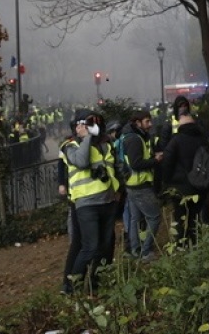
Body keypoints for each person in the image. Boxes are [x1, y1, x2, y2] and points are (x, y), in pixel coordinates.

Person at [62, 112, 120, 292]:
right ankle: (73, 287)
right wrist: (85, 138)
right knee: (90, 246)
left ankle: (96, 285)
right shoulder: (69, 146)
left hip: (108, 201)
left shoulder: (104, 144)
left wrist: (118, 191)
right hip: (86, 204)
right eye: (86, 124)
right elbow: (81, 161)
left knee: (105, 246)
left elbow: (114, 167)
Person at [162, 103, 209, 245]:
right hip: (200, 186)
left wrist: (166, 182)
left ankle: (181, 245)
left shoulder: (176, 141)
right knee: (195, 217)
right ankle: (195, 242)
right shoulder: (202, 139)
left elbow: (167, 163)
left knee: (180, 218)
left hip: (180, 188)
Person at [120, 110, 163, 261]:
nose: (150, 124)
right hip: (140, 185)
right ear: (137, 123)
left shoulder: (133, 136)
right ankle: (145, 252)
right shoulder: (135, 139)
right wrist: (155, 160)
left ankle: (135, 250)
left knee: (135, 219)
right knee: (155, 217)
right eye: (147, 121)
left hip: (132, 184)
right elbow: (136, 163)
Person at [57, 116, 83, 294]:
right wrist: (62, 184)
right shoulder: (67, 145)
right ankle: (69, 282)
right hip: (76, 195)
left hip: (80, 195)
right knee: (77, 239)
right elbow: (61, 167)